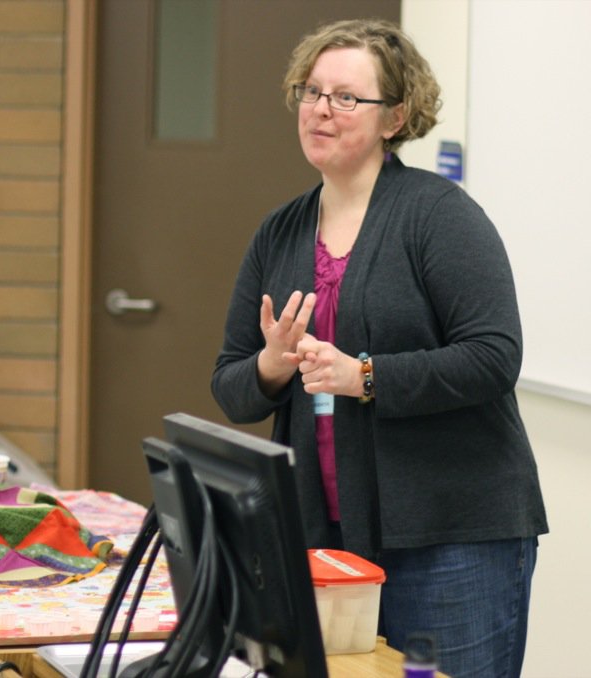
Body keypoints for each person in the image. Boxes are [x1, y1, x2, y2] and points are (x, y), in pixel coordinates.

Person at [210, 18, 548, 678]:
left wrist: (364, 375)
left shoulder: (439, 215)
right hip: (330, 537)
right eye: (311, 91)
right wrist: (271, 367)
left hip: (452, 536)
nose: (320, 109)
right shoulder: (280, 231)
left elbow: (493, 355)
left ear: (394, 117)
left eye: (345, 97)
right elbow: (231, 385)